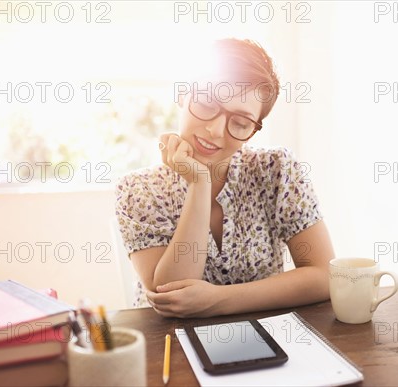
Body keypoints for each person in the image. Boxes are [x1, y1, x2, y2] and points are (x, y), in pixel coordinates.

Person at [115, 38, 334, 318]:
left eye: (240, 123)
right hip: (169, 343)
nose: (215, 130)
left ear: (253, 131)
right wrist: (200, 183)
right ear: (183, 95)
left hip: (265, 337)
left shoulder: (276, 170)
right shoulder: (138, 189)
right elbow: (169, 295)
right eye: (207, 104)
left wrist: (219, 300)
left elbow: (324, 274)